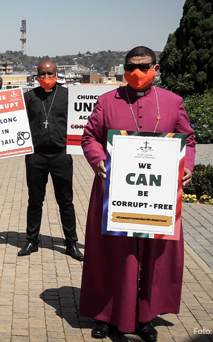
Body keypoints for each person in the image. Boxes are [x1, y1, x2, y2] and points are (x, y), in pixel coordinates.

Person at [79, 46, 196, 341]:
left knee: (152, 257)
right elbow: (89, 137)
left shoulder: (173, 102)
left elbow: (189, 139)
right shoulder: (107, 102)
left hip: (156, 196)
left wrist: (188, 167)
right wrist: (98, 160)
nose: (137, 73)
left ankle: (145, 317)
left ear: (155, 69)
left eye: (144, 67)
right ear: (123, 69)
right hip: (114, 194)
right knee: (110, 255)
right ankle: (105, 316)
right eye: (131, 67)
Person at [18, 60, 84, 260]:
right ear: (36, 76)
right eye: (42, 74)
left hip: (61, 154)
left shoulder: (68, 96)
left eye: (49, 74)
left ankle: (71, 244)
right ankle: (32, 241)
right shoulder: (29, 97)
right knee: (35, 201)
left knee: (66, 201)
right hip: (35, 155)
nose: (46, 78)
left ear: (57, 74)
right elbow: (13, 123)